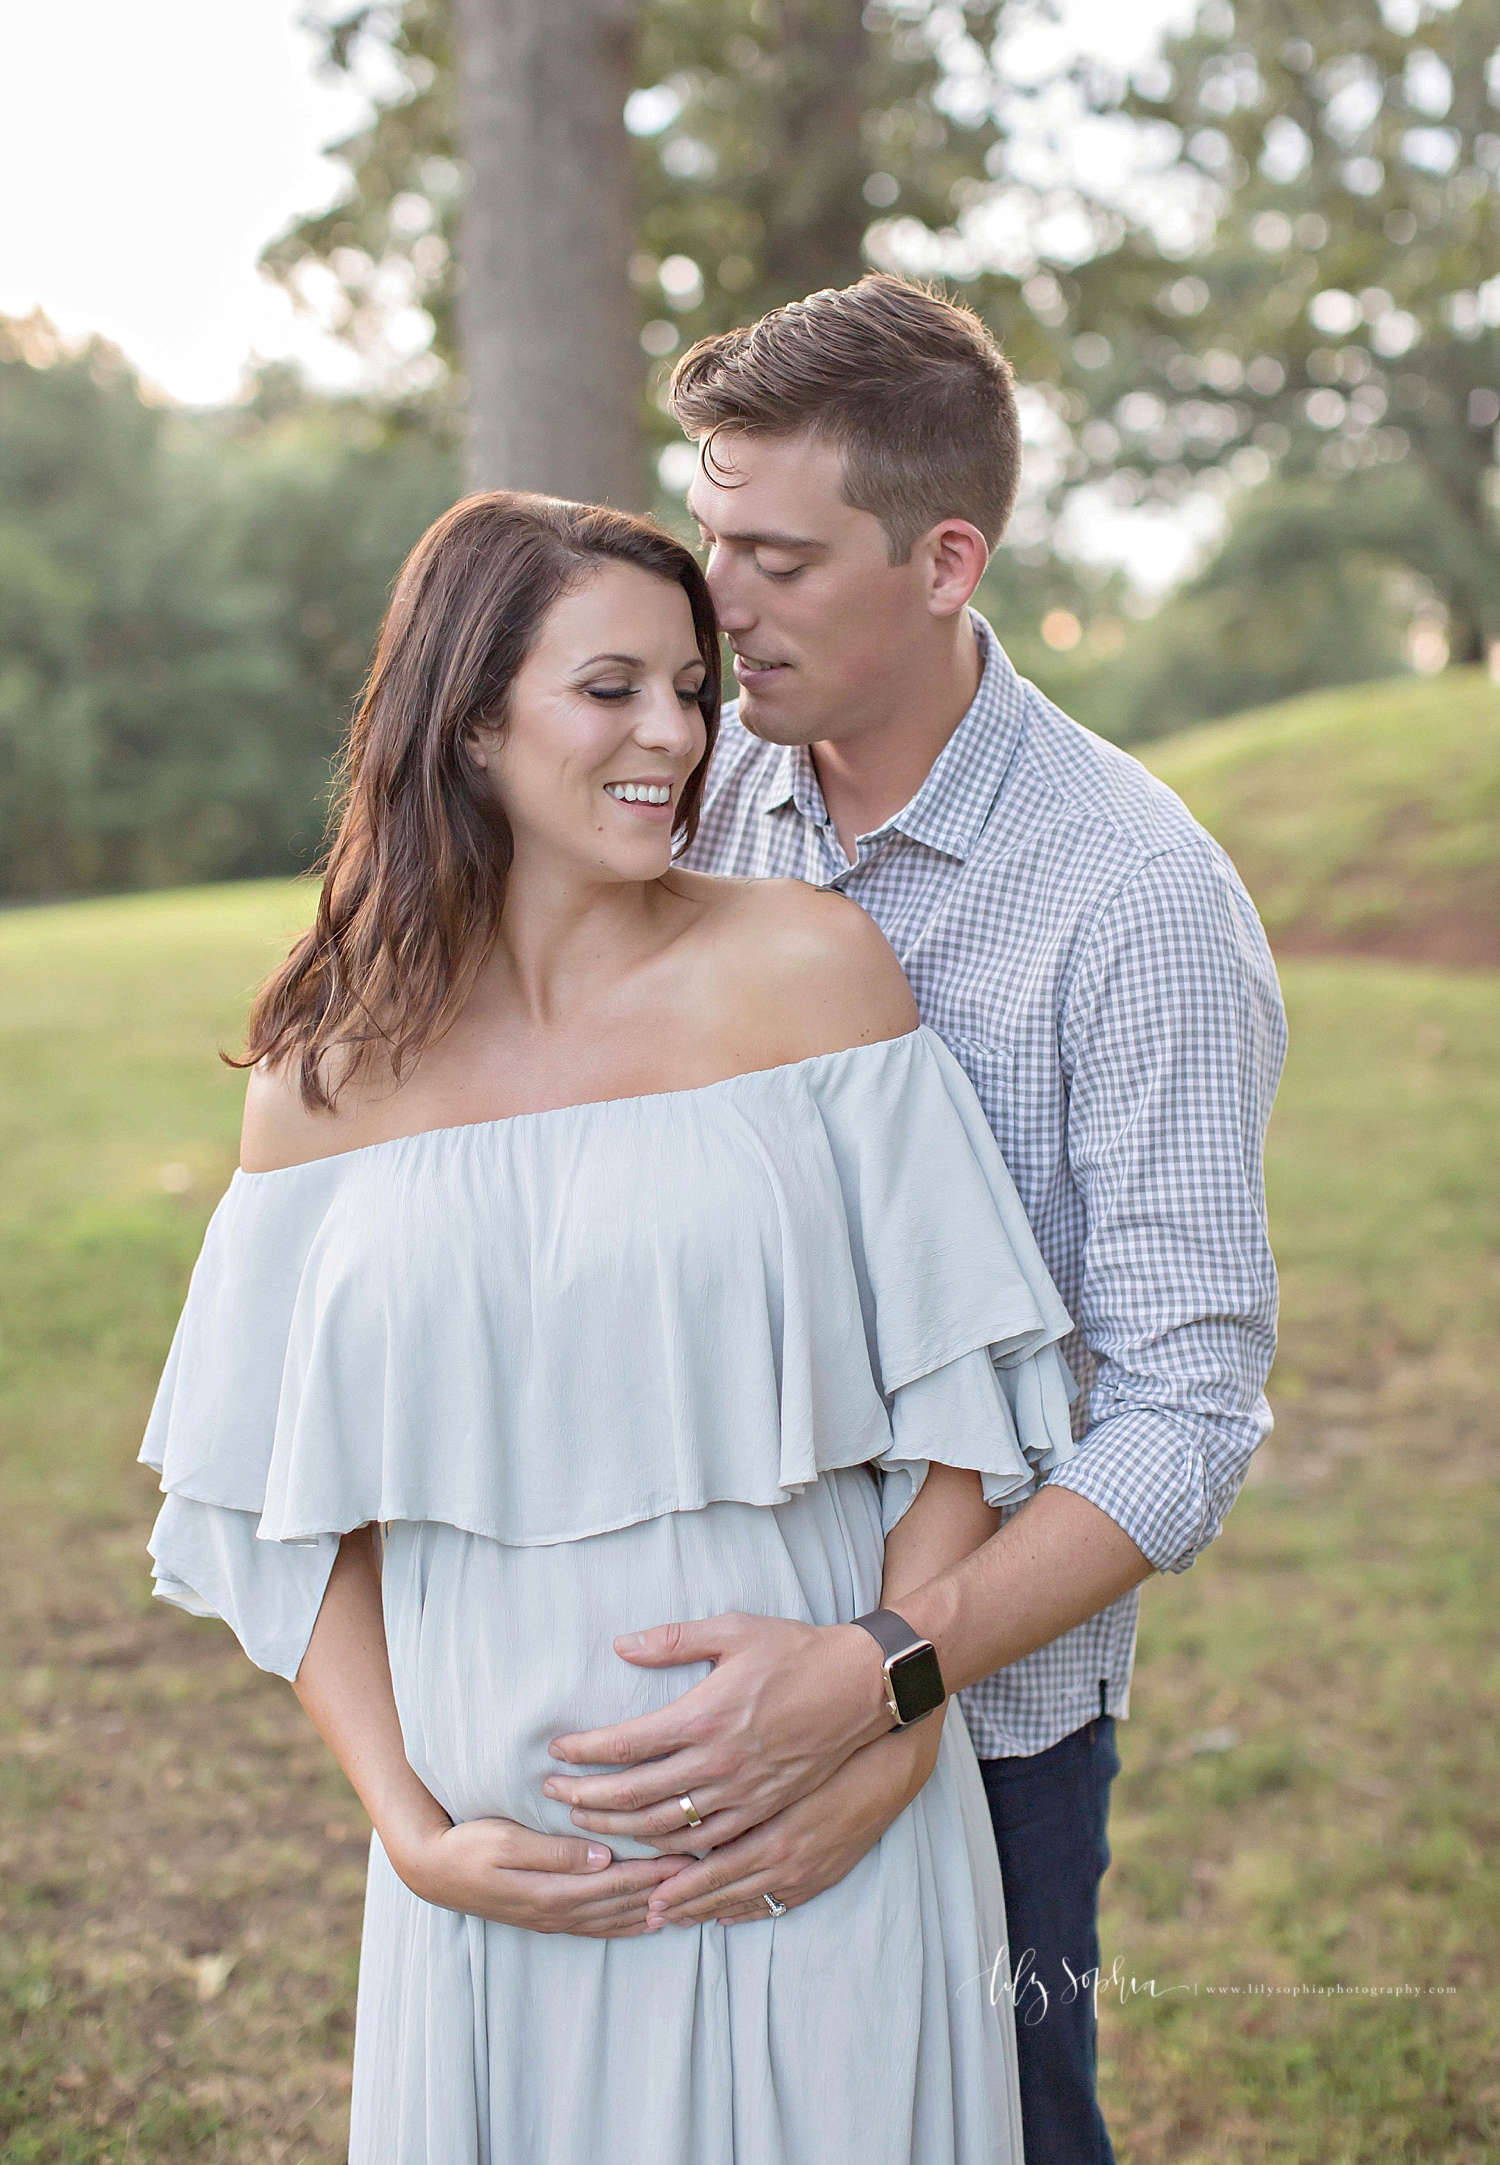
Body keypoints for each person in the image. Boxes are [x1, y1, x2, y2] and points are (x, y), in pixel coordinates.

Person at [139, 489, 1089, 2163]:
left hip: (817, 1830)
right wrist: (410, 1827)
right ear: (473, 719)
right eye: (612, 688)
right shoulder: (323, 1079)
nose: (677, 733)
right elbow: (284, 1531)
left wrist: (884, 1721)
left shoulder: (808, 971)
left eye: (694, 687)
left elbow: (965, 1414)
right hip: (501, 1889)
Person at [527, 276, 1288, 2165]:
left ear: (948, 560)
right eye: (710, 533)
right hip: (649, 1666)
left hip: (993, 1722)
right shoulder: (681, 803)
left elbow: (1187, 1407)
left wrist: (886, 1669)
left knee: (991, 2127)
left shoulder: (1137, 900)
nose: (718, 597)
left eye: (777, 555)